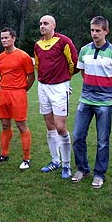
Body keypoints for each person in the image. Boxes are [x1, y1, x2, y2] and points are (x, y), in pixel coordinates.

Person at [71, 16, 112, 189]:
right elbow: (83, 72)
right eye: (92, 30)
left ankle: (99, 174)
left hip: (104, 103)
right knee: (78, 137)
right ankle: (82, 168)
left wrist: (107, 91)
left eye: (98, 31)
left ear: (106, 31)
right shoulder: (84, 50)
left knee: (103, 141)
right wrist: (90, 87)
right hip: (85, 100)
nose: (94, 34)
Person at [34, 15, 78, 178]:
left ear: (54, 25)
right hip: (43, 87)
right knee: (49, 125)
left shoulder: (64, 41)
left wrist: (65, 81)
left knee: (60, 126)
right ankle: (55, 160)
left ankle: (66, 164)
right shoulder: (38, 45)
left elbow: (73, 62)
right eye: (40, 24)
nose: (42, 26)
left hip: (59, 87)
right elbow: (38, 65)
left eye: (45, 23)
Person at [0, 27, 35, 170]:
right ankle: (4, 154)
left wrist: (21, 90)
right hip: (4, 93)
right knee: (4, 125)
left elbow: (31, 77)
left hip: (18, 94)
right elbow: (2, 75)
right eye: (2, 38)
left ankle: (26, 159)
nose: (4, 40)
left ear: (13, 38)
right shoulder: (0, 58)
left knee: (21, 125)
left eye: (6, 38)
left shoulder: (23, 56)